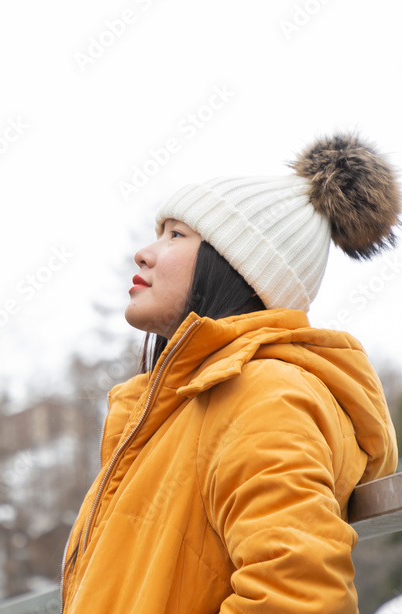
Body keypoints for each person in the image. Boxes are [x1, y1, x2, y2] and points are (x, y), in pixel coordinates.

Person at [59, 132, 400, 613]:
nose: (145, 253)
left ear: (238, 267)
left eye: (177, 235)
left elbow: (297, 599)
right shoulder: (183, 411)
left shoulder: (263, 394)